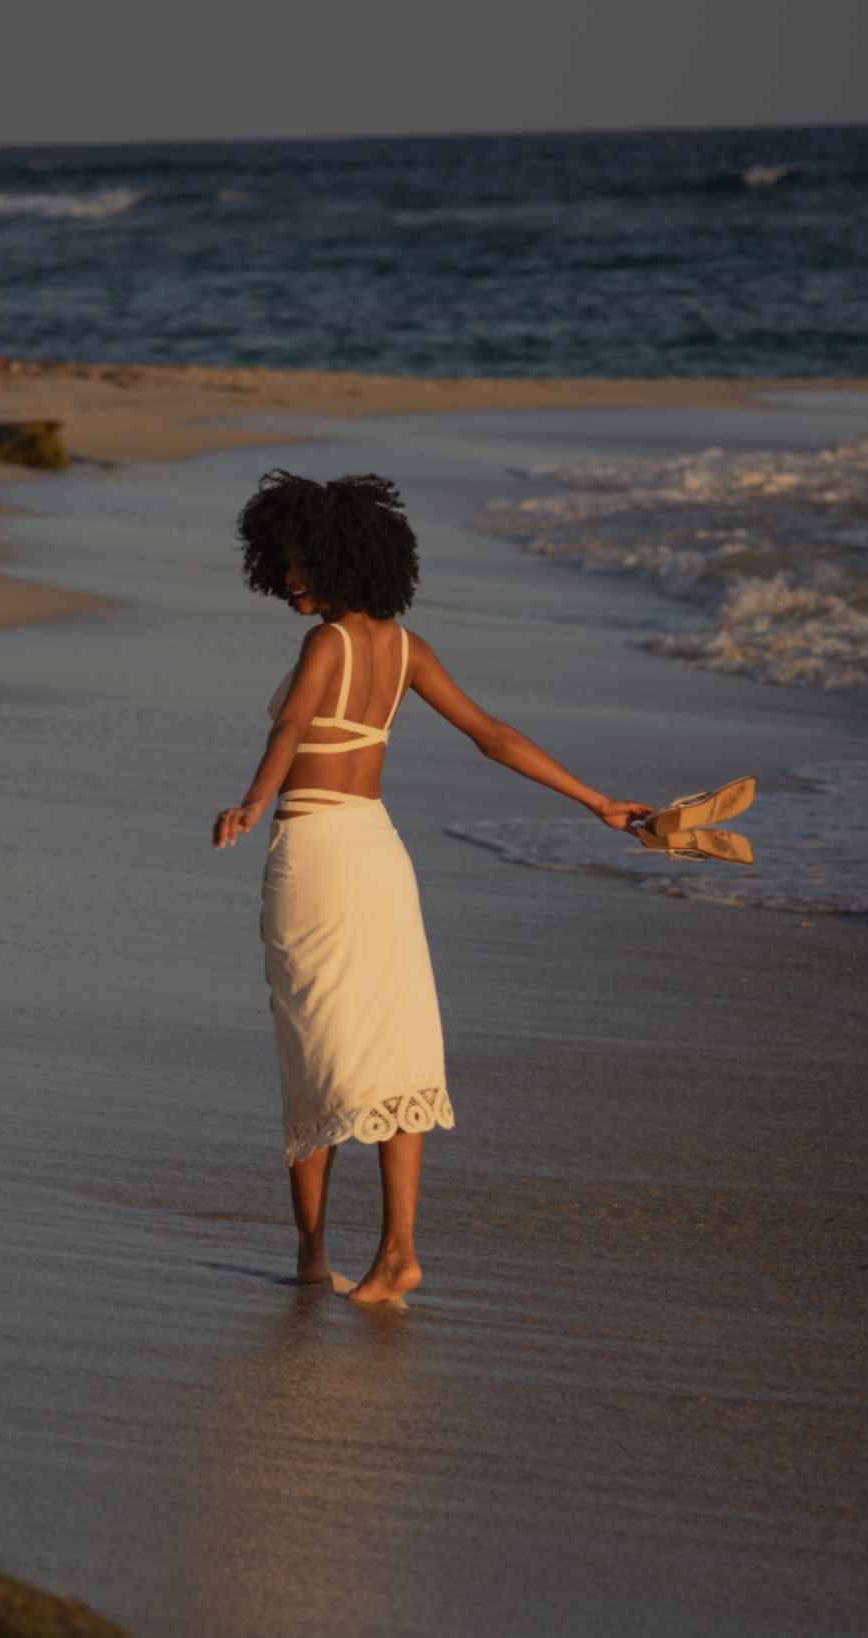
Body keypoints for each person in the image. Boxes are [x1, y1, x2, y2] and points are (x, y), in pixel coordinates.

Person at [213, 471, 652, 1304]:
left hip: (317, 852)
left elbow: (292, 726)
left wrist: (253, 801)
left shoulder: (327, 645)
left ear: (345, 559)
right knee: (397, 1052)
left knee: (314, 1047)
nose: (293, 577)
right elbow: (493, 736)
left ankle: (313, 1255)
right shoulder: (408, 649)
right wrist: (599, 801)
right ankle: (395, 1257)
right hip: (381, 854)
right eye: (287, 562)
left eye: (304, 562)